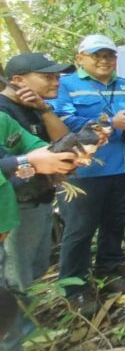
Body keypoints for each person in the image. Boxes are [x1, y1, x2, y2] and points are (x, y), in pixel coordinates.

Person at [51, 35, 125, 302]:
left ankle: (109, 273)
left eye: (109, 55)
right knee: (80, 230)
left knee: (115, 224)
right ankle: (75, 290)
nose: (104, 60)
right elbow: (63, 123)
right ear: (80, 58)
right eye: (97, 55)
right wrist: (112, 122)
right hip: (83, 173)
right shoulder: (65, 86)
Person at [0, 111, 76, 351]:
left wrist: (61, 160)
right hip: (19, 209)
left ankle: (21, 335)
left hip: (10, 216)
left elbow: (40, 150)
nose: (54, 81)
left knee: (26, 274)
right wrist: (23, 163)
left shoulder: (3, 119)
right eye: (47, 77)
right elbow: (23, 161)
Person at [0, 53, 74, 295]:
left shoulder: (36, 107)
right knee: (15, 277)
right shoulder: (4, 112)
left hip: (40, 199)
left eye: (57, 77)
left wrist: (43, 110)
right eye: (47, 77)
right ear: (19, 80)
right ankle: (16, 329)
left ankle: (28, 321)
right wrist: (36, 164)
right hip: (14, 209)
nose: (56, 82)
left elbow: (64, 143)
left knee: (36, 268)